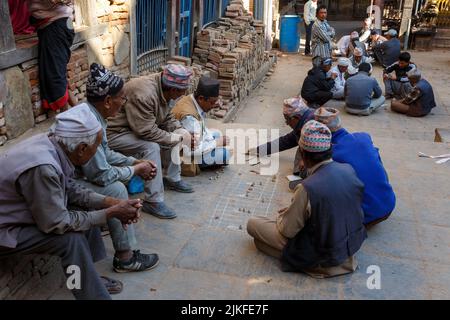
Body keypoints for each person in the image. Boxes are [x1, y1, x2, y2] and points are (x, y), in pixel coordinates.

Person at [0, 105, 150, 299]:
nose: (97, 151)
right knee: (71, 239)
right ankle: (91, 294)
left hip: (24, 213)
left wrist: (109, 202)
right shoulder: (43, 167)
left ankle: (89, 277)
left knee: (86, 211)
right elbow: (56, 223)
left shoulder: (55, 145)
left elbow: (71, 190)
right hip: (6, 230)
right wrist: (110, 213)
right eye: (96, 148)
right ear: (81, 149)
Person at [247, 120, 366, 278]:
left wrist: (285, 216)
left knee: (254, 225)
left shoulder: (307, 187)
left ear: (303, 154)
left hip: (323, 255)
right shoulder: (348, 169)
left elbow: (287, 230)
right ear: (329, 149)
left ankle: (314, 266)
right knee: (262, 241)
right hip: (349, 247)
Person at [71, 64, 161, 274]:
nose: (124, 101)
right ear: (108, 101)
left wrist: (133, 163)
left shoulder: (93, 115)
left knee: (120, 181)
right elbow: (102, 175)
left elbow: (105, 154)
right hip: (65, 183)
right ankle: (125, 257)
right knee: (116, 189)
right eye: (122, 97)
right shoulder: (90, 126)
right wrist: (136, 170)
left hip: (71, 177)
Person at [107, 64, 194, 219]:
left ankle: (171, 178)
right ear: (173, 89)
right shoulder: (144, 94)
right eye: (182, 90)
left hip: (136, 128)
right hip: (116, 134)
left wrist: (181, 131)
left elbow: (166, 117)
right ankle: (153, 201)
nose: (185, 93)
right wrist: (176, 137)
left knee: (176, 134)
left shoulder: (166, 89)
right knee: (151, 146)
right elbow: (146, 131)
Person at [315, 107, 396, 227]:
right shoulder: (363, 137)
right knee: (372, 160)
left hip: (365, 217)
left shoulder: (332, 155)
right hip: (389, 205)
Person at [172, 77, 231, 173]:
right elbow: (196, 150)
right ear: (201, 98)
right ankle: (201, 164)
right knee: (225, 154)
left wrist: (213, 139)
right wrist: (217, 143)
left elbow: (200, 130)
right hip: (183, 155)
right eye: (212, 102)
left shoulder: (191, 99)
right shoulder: (189, 118)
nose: (213, 106)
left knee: (216, 134)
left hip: (192, 142)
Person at [27, 0, 77, 111]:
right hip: (61, 23)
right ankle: (81, 112)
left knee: (56, 76)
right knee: (58, 72)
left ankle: (69, 119)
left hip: (56, 25)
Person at [250, 97, 314, 177]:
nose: (287, 123)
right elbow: (287, 141)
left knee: (303, 170)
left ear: (296, 118)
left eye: (287, 120)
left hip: (328, 159)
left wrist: (306, 160)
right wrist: (261, 149)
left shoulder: (312, 127)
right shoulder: (303, 122)